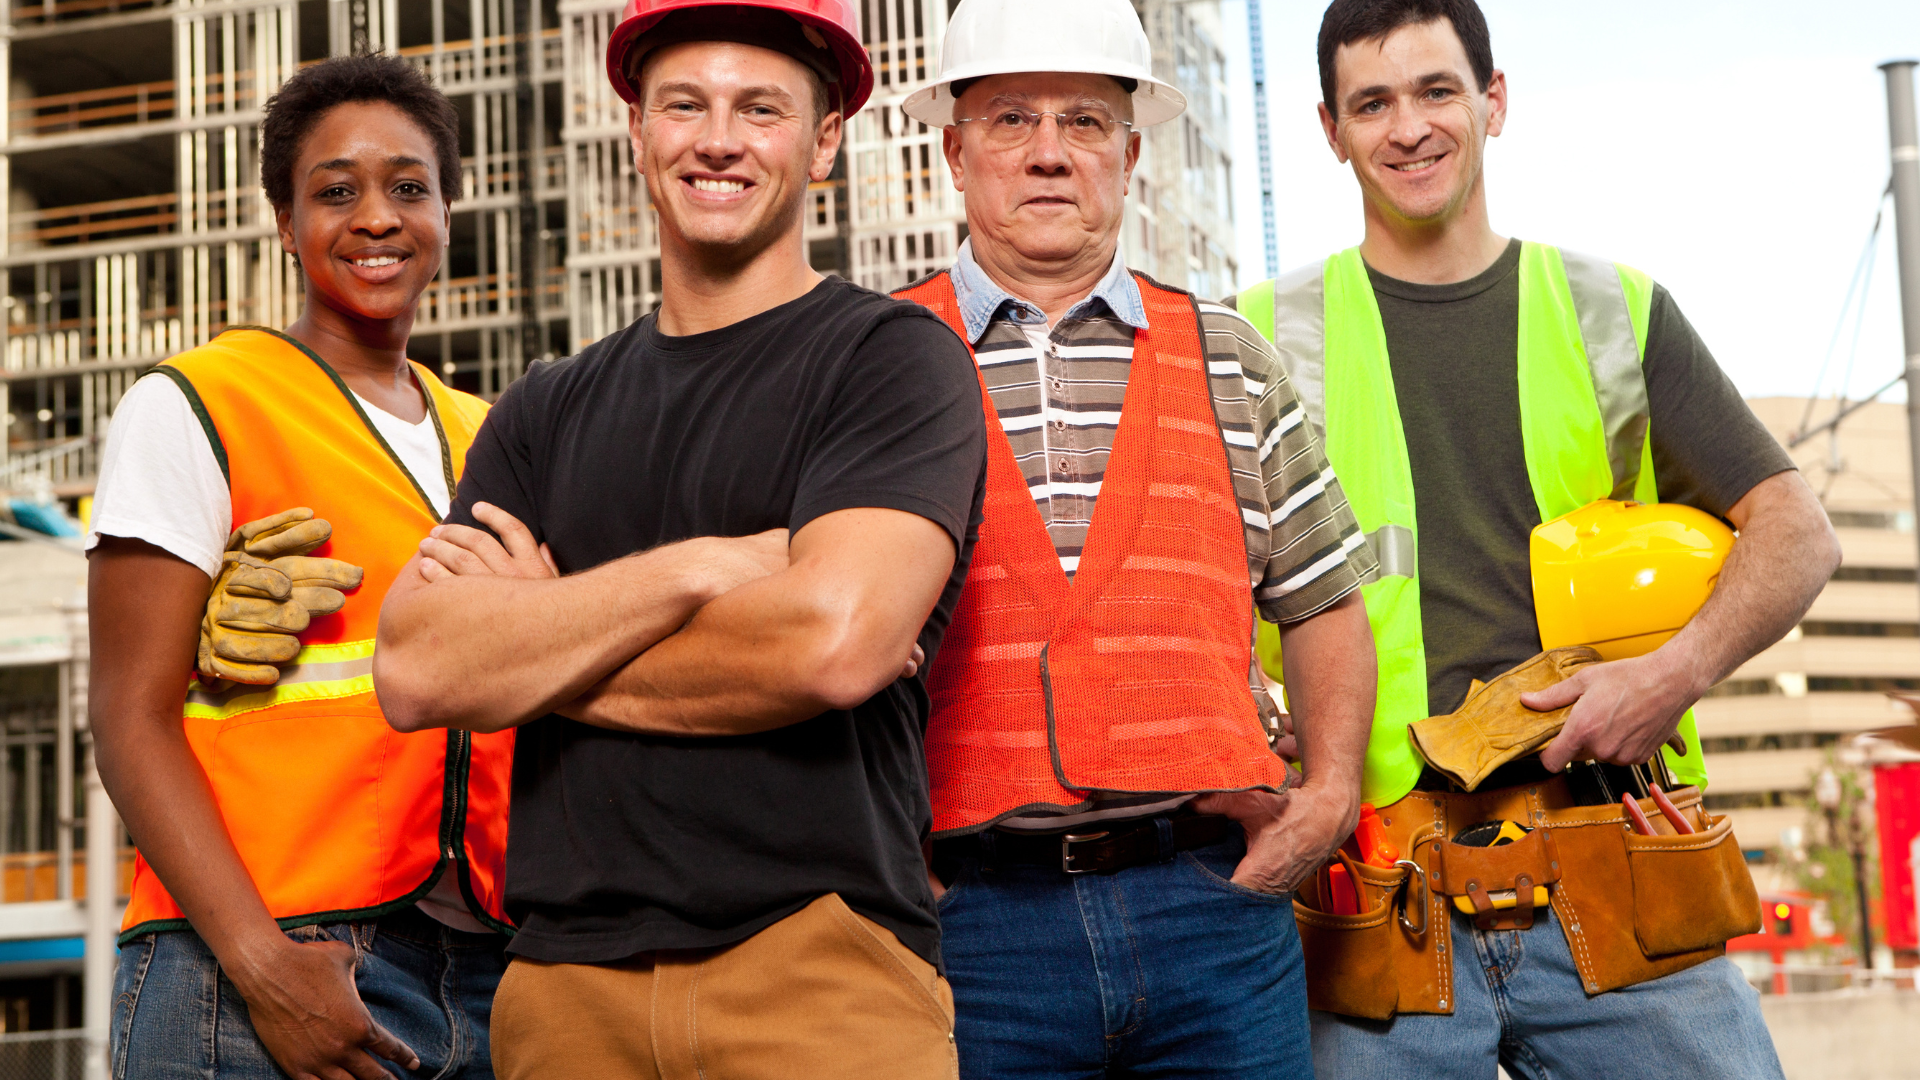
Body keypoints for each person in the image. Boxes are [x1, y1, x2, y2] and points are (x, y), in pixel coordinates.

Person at [371, 2, 985, 1077]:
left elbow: (832, 644)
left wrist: (539, 644)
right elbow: (419, 670)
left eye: (761, 109)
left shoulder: (892, 362)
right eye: (685, 105)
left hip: (818, 971)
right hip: (564, 992)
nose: (718, 139)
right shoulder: (544, 409)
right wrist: (704, 567)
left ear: (825, 138)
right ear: (638, 131)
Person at [1232, 2, 1838, 1076]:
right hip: (1380, 893)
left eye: (1436, 91)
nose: (1408, 126)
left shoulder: (1612, 309)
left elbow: (1798, 533)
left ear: (1493, 101)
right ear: (1331, 129)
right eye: (1372, 102)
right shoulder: (1257, 338)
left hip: (1617, 867)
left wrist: (1671, 674)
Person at [891, 0, 1381, 1075]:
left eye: (1085, 121)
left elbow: (1325, 599)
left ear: (1132, 152)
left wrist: (1331, 796)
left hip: (1211, 908)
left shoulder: (1230, 358)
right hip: (969, 925)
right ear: (955, 152)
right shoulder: (873, 360)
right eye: (1012, 120)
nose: (1050, 155)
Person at [87, 55, 512, 1080]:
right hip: (254, 962)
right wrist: (263, 968)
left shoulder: (492, 437)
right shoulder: (200, 404)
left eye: (409, 187)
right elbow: (126, 716)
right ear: (284, 220)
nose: (377, 218)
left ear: (447, 212)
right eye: (336, 190)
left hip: (480, 972)